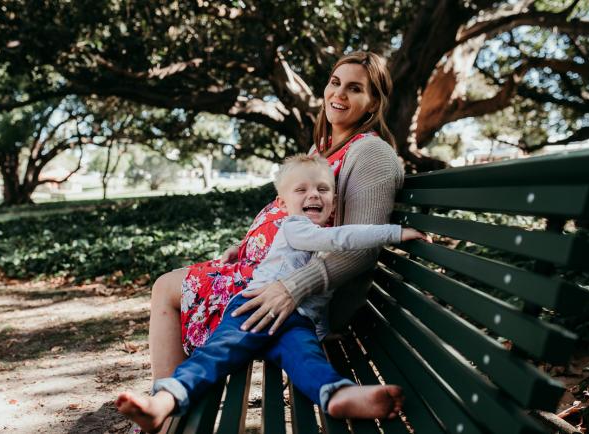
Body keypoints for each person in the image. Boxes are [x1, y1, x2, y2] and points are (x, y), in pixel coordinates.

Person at [147, 50, 403, 407]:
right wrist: (247, 243)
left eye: (355, 88)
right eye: (335, 83)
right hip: (268, 273)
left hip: (288, 288)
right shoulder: (324, 149)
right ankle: (168, 406)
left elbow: (359, 248)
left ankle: (166, 410)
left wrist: (292, 288)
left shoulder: (371, 154)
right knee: (170, 286)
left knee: (166, 288)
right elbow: (291, 212)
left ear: (374, 101)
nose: (339, 94)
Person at [117, 155, 430, 432]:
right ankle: (164, 401)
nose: (314, 195)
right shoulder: (297, 227)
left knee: (306, 359)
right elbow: (345, 238)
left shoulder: (317, 234)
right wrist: (395, 233)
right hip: (255, 307)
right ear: (281, 205)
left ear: (334, 200)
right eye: (302, 190)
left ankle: (338, 395)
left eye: (323, 189)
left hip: (295, 321)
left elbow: (328, 275)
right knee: (216, 354)